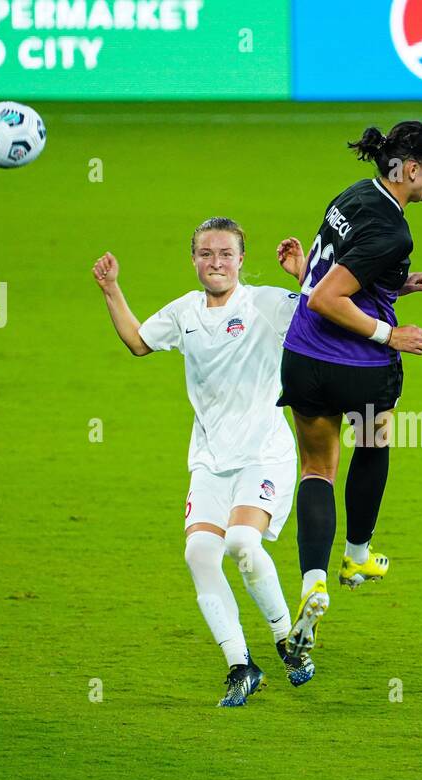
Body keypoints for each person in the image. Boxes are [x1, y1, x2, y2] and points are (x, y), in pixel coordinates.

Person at [92, 218, 312, 707]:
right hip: (210, 460)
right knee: (199, 555)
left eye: (226, 254)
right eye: (206, 254)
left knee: (241, 543)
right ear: (193, 260)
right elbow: (137, 341)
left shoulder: (265, 304)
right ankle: (241, 665)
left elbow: (324, 307)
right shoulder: (184, 311)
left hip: (263, 454)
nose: (216, 263)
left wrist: (302, 275)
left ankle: (286, 640)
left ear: (241, 260)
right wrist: (111, 289)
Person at [275, 121, 422, 654]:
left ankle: (312, 582)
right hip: (359, 366)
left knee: (316, 469)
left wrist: (395, 282)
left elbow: (331, 276)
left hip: (303, 360)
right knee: (374, 444)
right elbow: (327, 298)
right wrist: (390, 332)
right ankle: (356, 553)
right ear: (412, 168)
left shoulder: (352, 195)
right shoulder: (395, 230)